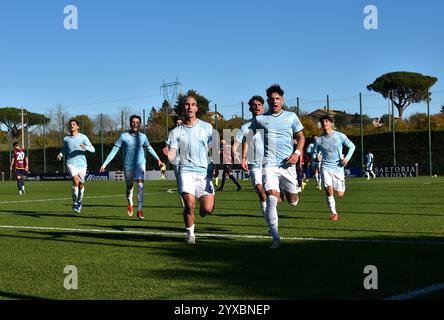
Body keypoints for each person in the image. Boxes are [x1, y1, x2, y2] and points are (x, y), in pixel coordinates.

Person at [241, 84, 305, 249]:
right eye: (271, 99)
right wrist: (242, 154)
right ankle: (275, 238)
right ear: (268, 101)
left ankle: (291, 192)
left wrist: (297, 153)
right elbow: (247, 134)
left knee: (292, 201)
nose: (274, 101)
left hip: (288, 164)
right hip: (269, 164)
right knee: (270, 197)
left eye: (277, 98)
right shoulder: (260, 119)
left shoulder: (291, 117)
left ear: (282, 100)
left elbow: (301, 136)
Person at [166, 95, 215, 244]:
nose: (190, 107)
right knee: (189, 204)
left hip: (204, 171)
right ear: (183, 108)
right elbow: (173, 152)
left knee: (207, 208)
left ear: (196, 108)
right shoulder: (175, 132)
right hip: (185, 170)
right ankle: (190, 234)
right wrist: (170, 155)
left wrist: (215, 164)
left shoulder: (207, 127)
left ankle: (202, 210)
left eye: (193, 104)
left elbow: (212, 148)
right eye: (187, 105)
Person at [100, 115, 163, 220]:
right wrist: (105, 164)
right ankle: (130, 203)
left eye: (137, 122)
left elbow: (149, 148)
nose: (135, 124)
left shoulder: (143, 137)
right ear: (130, 123)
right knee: (129, 187)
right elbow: (114, 151)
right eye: (133, 122)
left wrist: (158, 159)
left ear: (139, 124)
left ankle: (139, 209)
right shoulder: (123, 136)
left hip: (140, 164)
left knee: (140, 185)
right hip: (128, 166)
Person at [314, 114, 356, 221]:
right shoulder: (319, 140)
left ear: (331, 123)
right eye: (323, 122)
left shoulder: (340, 136)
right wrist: (317, 157)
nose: (324, 123)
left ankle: (340, 191)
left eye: (327, 121)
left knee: (340, 194)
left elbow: (352, 146)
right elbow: (315, 152)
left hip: (338, 168)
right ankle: (334, 213)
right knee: (328, 190)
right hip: (325, 167)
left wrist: (346, 159)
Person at [234, 95, 266, 218]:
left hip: (271, 162)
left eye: (259, 105)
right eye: (254, 105)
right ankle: (270, 222)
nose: (257, 107)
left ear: (263, 107)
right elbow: (240, 143)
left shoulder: (270, 123)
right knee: (260, 191)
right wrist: (242, 158)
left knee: (279, 197)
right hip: (254, 163)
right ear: (250, 109)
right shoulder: (245, 127)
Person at [57, 119, 95, 212]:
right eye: (71, 124)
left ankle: (79, 201)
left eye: (74, 124)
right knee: (75, 181)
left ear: (77, 127)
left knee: (81, 184)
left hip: (82, 165)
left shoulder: (83, 137)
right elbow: (64, 149)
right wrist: (60, 154)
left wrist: (85, 147)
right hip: (71, 163)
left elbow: (93, 149)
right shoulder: (66, 139)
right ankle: (74, 202)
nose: (72, 125)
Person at [163, 118, 185, 207]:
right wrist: (166, 150)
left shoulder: (187, 132)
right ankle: (182, 198)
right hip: (176, 160)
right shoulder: (172, 133)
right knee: (179, 180)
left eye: (180, 122)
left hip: (186, 160)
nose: (179, 124)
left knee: (186, 179)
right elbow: (166, 145)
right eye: (177, 122)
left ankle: (188, 196)